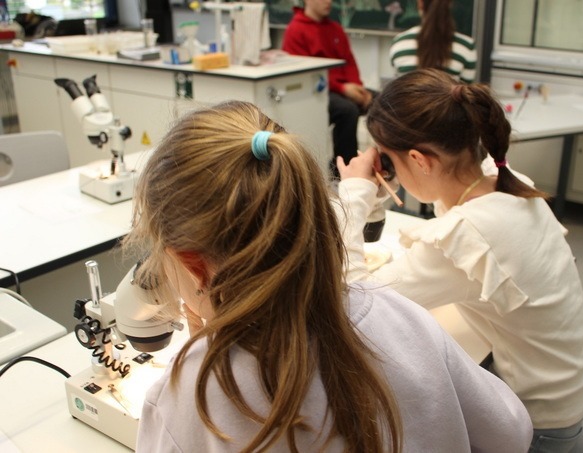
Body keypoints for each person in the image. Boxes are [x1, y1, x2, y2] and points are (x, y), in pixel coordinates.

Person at [125, 100, 533, 452]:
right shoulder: (403, 318)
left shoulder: (189, 395)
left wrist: (204, 342)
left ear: (193, 265)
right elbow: (512, 434)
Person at [336, 68, 583, 453]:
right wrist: (392, 173)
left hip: (540, 424)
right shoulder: (504, 182)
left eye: (390, 161)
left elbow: (356, 302)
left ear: (420, 160)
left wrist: (355, 194)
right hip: (567, 389)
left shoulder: (469, 235)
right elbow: (448, 199)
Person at [282, 0, 374, 178]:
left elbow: (349, 62)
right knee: (347, 111)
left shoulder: (335, 28)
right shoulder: (295, 30)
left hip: (344, 87)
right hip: (318, 92)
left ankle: (383, 168)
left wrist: (358, 88)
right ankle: (344, 173)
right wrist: (343, 88)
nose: (329, 1)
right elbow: (307, 74)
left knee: (383, 102)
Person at [390, 0, 477, 83]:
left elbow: (396, 94)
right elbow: (466, 94)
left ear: (420, 3)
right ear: (449, 4)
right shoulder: (466, 46)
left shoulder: (399, 42)